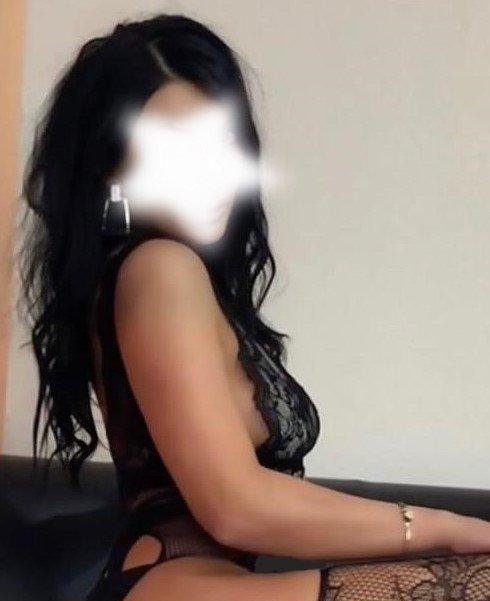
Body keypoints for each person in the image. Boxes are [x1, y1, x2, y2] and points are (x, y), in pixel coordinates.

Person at [17, 13, 490, 601]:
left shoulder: (161, 275)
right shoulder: (159, 268)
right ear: (112, 168)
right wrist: (447, 530)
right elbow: (235, 507)